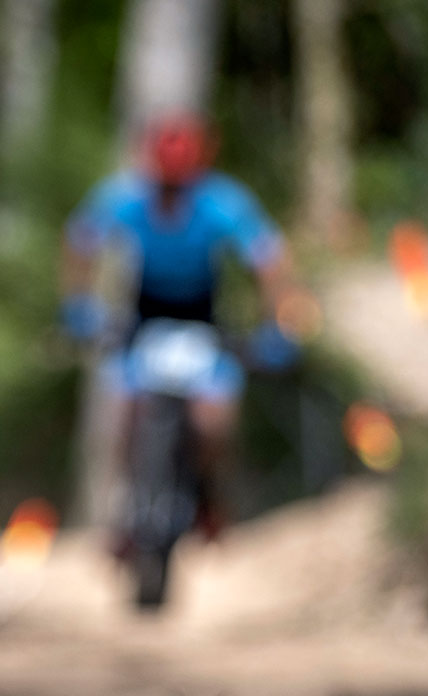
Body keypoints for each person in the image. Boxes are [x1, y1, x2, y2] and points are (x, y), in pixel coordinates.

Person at [60, 113, 304, 546]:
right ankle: (127, 510)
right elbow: (81, 241)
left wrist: (276, 325)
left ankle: (210, 499)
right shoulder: (126, 198)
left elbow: (269, 260)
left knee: (214, 422)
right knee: (124, 411)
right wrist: (80, 307)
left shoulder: (222, 203)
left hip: (203, 320)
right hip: (143, 318)